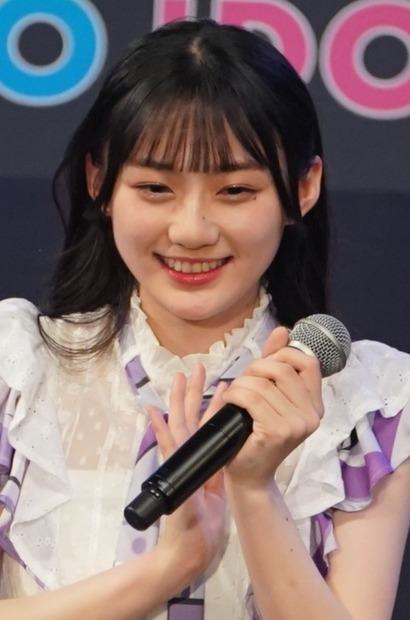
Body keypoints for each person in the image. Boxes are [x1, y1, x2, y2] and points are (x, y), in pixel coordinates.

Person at [0, 17, 410, 620]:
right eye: (155, 188)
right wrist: (169, 569)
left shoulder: (371, 404)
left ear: (303, 188)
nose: (191, 230)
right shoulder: (18, 372)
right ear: (100, 183)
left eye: (235, 191)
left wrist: (255, 489)